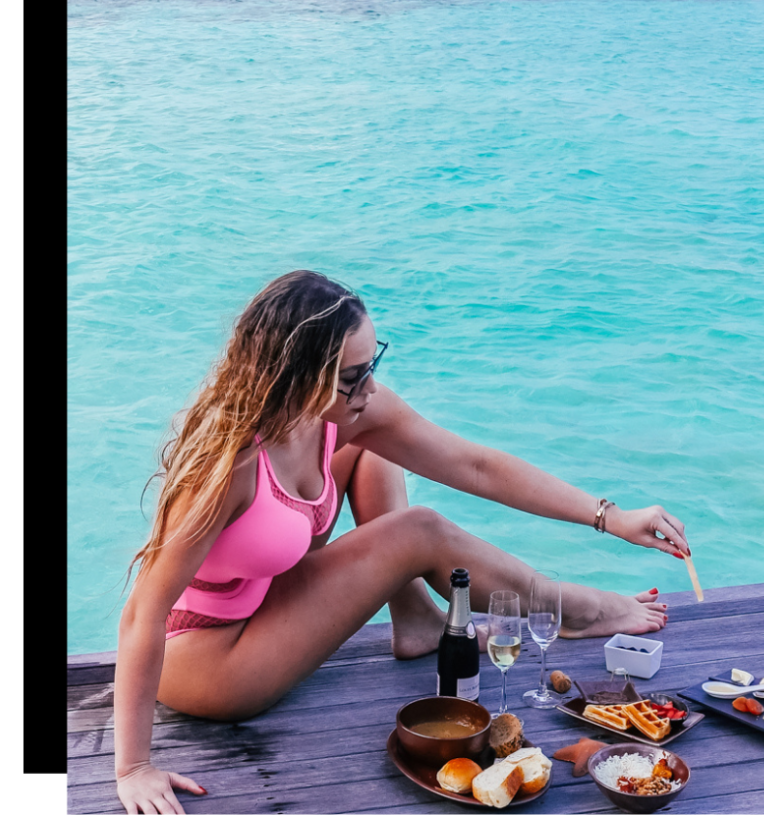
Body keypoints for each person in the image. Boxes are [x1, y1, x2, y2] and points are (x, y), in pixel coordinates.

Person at [114, 270, 690, 814]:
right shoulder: (230, 466)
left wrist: (610, 517)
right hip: (206, 658)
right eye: (352, 376)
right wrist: (132, 767)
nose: (369, 386)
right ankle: (574, 610)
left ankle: (415, 620)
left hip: (263, 600)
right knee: (420, 531)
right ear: (300, 375)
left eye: (373, 363)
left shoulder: (340, 414)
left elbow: (475, 464)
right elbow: (143, 613)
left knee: (372, 446)